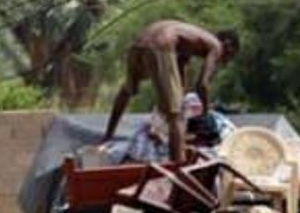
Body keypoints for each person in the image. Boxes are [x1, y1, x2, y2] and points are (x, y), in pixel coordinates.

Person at [102, 20, 239, 162]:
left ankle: (107, 136)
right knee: (176, 116)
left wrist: (182, 96)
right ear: (227, 45)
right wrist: (205, 112)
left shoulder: (193, 38)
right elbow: (202, 84)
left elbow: (179, 68)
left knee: (127, 90)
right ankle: (178, 168)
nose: (225, 61)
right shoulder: (216, 46)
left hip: (139, 45)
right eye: (228, 57)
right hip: (160, 46)